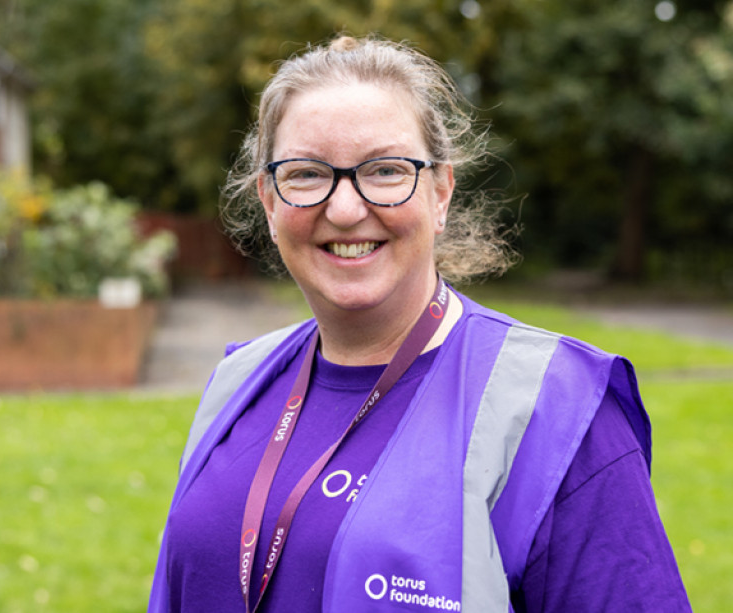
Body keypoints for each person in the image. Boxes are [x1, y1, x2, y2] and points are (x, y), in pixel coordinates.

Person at [148, 35, 690, 612]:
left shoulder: (556, 408)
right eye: (306, 173)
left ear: (440, 192)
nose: (346, 208)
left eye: (384, 170)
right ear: (270, 200)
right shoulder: (238, 380)